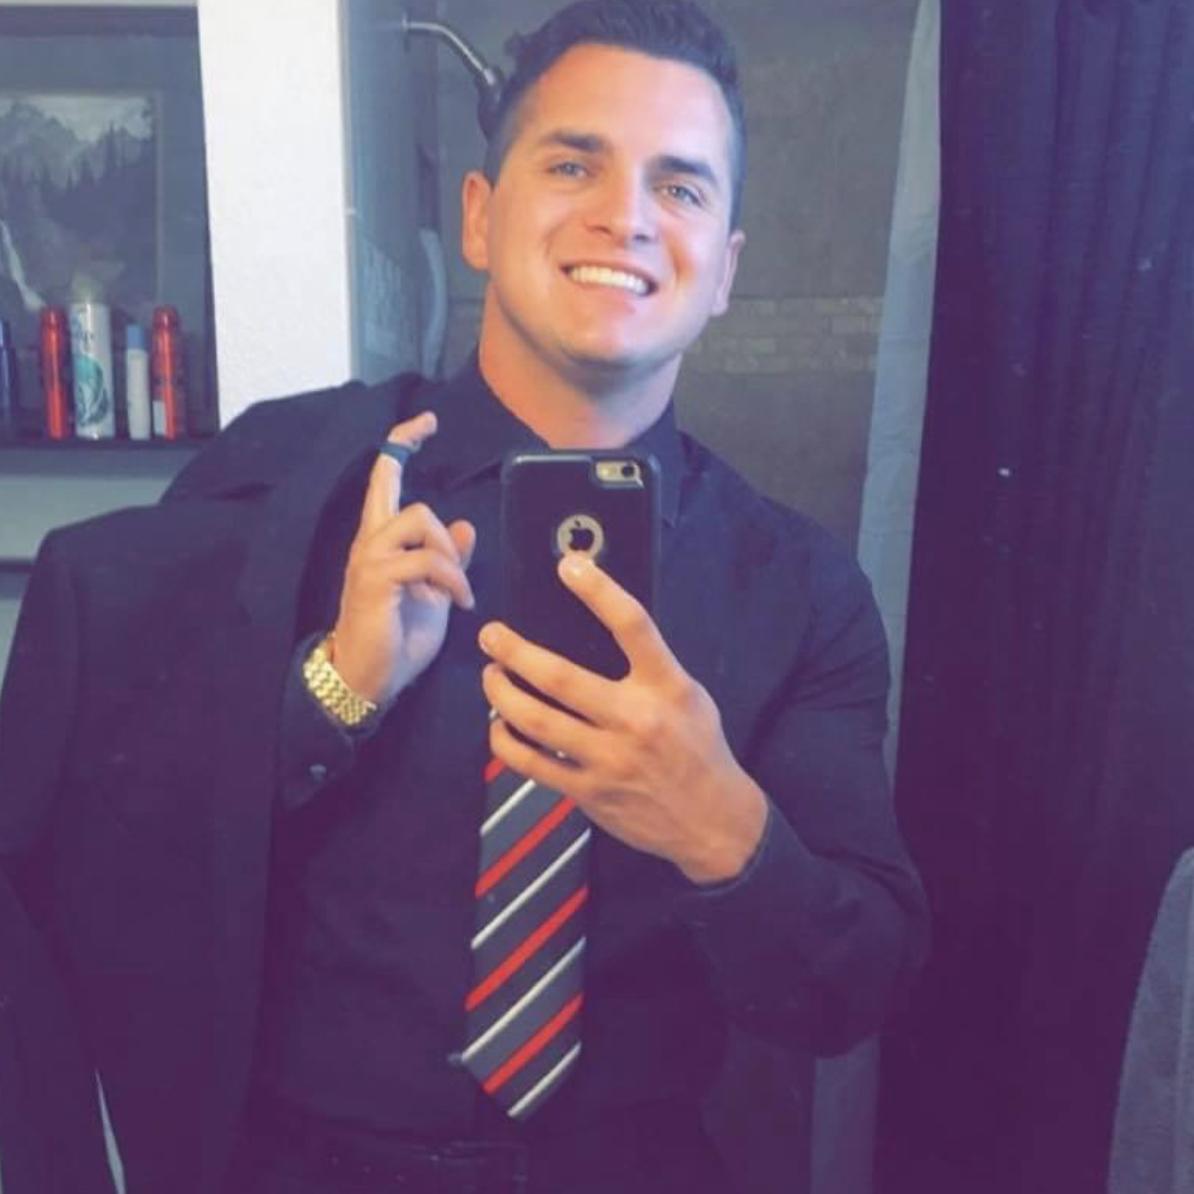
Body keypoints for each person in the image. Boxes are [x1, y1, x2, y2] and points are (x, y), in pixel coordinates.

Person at [0, 2, 928, 1191]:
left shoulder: (800, 591)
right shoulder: (286, 486)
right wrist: (330, 695)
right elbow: (105, 857)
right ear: (481, 217)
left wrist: (720, 827)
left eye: (681, 186)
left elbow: (855, 985)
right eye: (574, 163)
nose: (627, 215)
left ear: (726, 272)